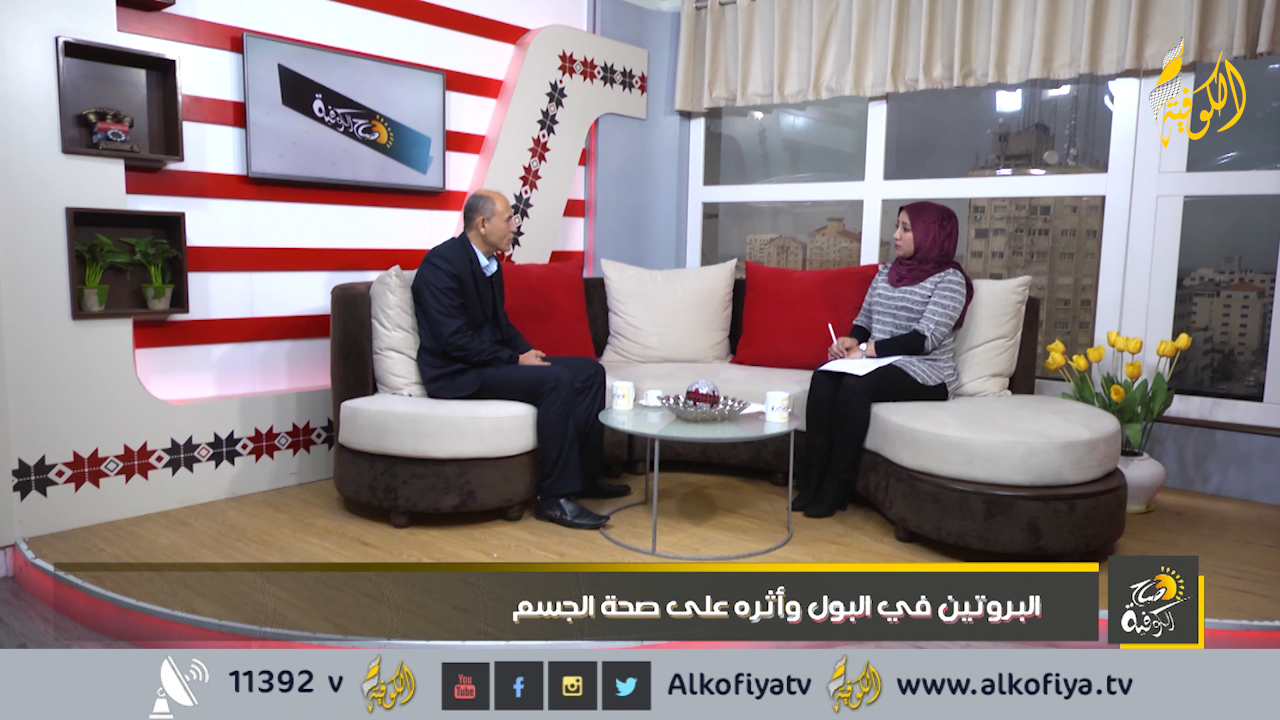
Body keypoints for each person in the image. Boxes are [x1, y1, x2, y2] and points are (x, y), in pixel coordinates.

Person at [412, 189, 630, 530]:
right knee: (556, 381)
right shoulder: (441, 265)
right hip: (457, 374)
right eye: (508, 220)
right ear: (483, 224)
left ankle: (585, 478)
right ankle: (554, 499)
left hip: (488, 363)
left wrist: (528, 352)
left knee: (589, 372)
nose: (515, 227)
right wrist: (514, 359)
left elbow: (501, 323)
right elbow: (453, 340)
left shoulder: (491, 265)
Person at [793, 201, 975, 518]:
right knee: (823, 376)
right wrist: (851, 341)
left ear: (931, 234)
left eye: (906, 229)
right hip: (876, 361)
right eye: (897, 227)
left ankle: (837, 487)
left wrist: (865, 350)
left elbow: (924, 339)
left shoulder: (950, 280)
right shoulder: (886, 273)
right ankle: (812, 481)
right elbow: (865, 320)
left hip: (926, 370)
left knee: (855, 388)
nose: (896, 235)